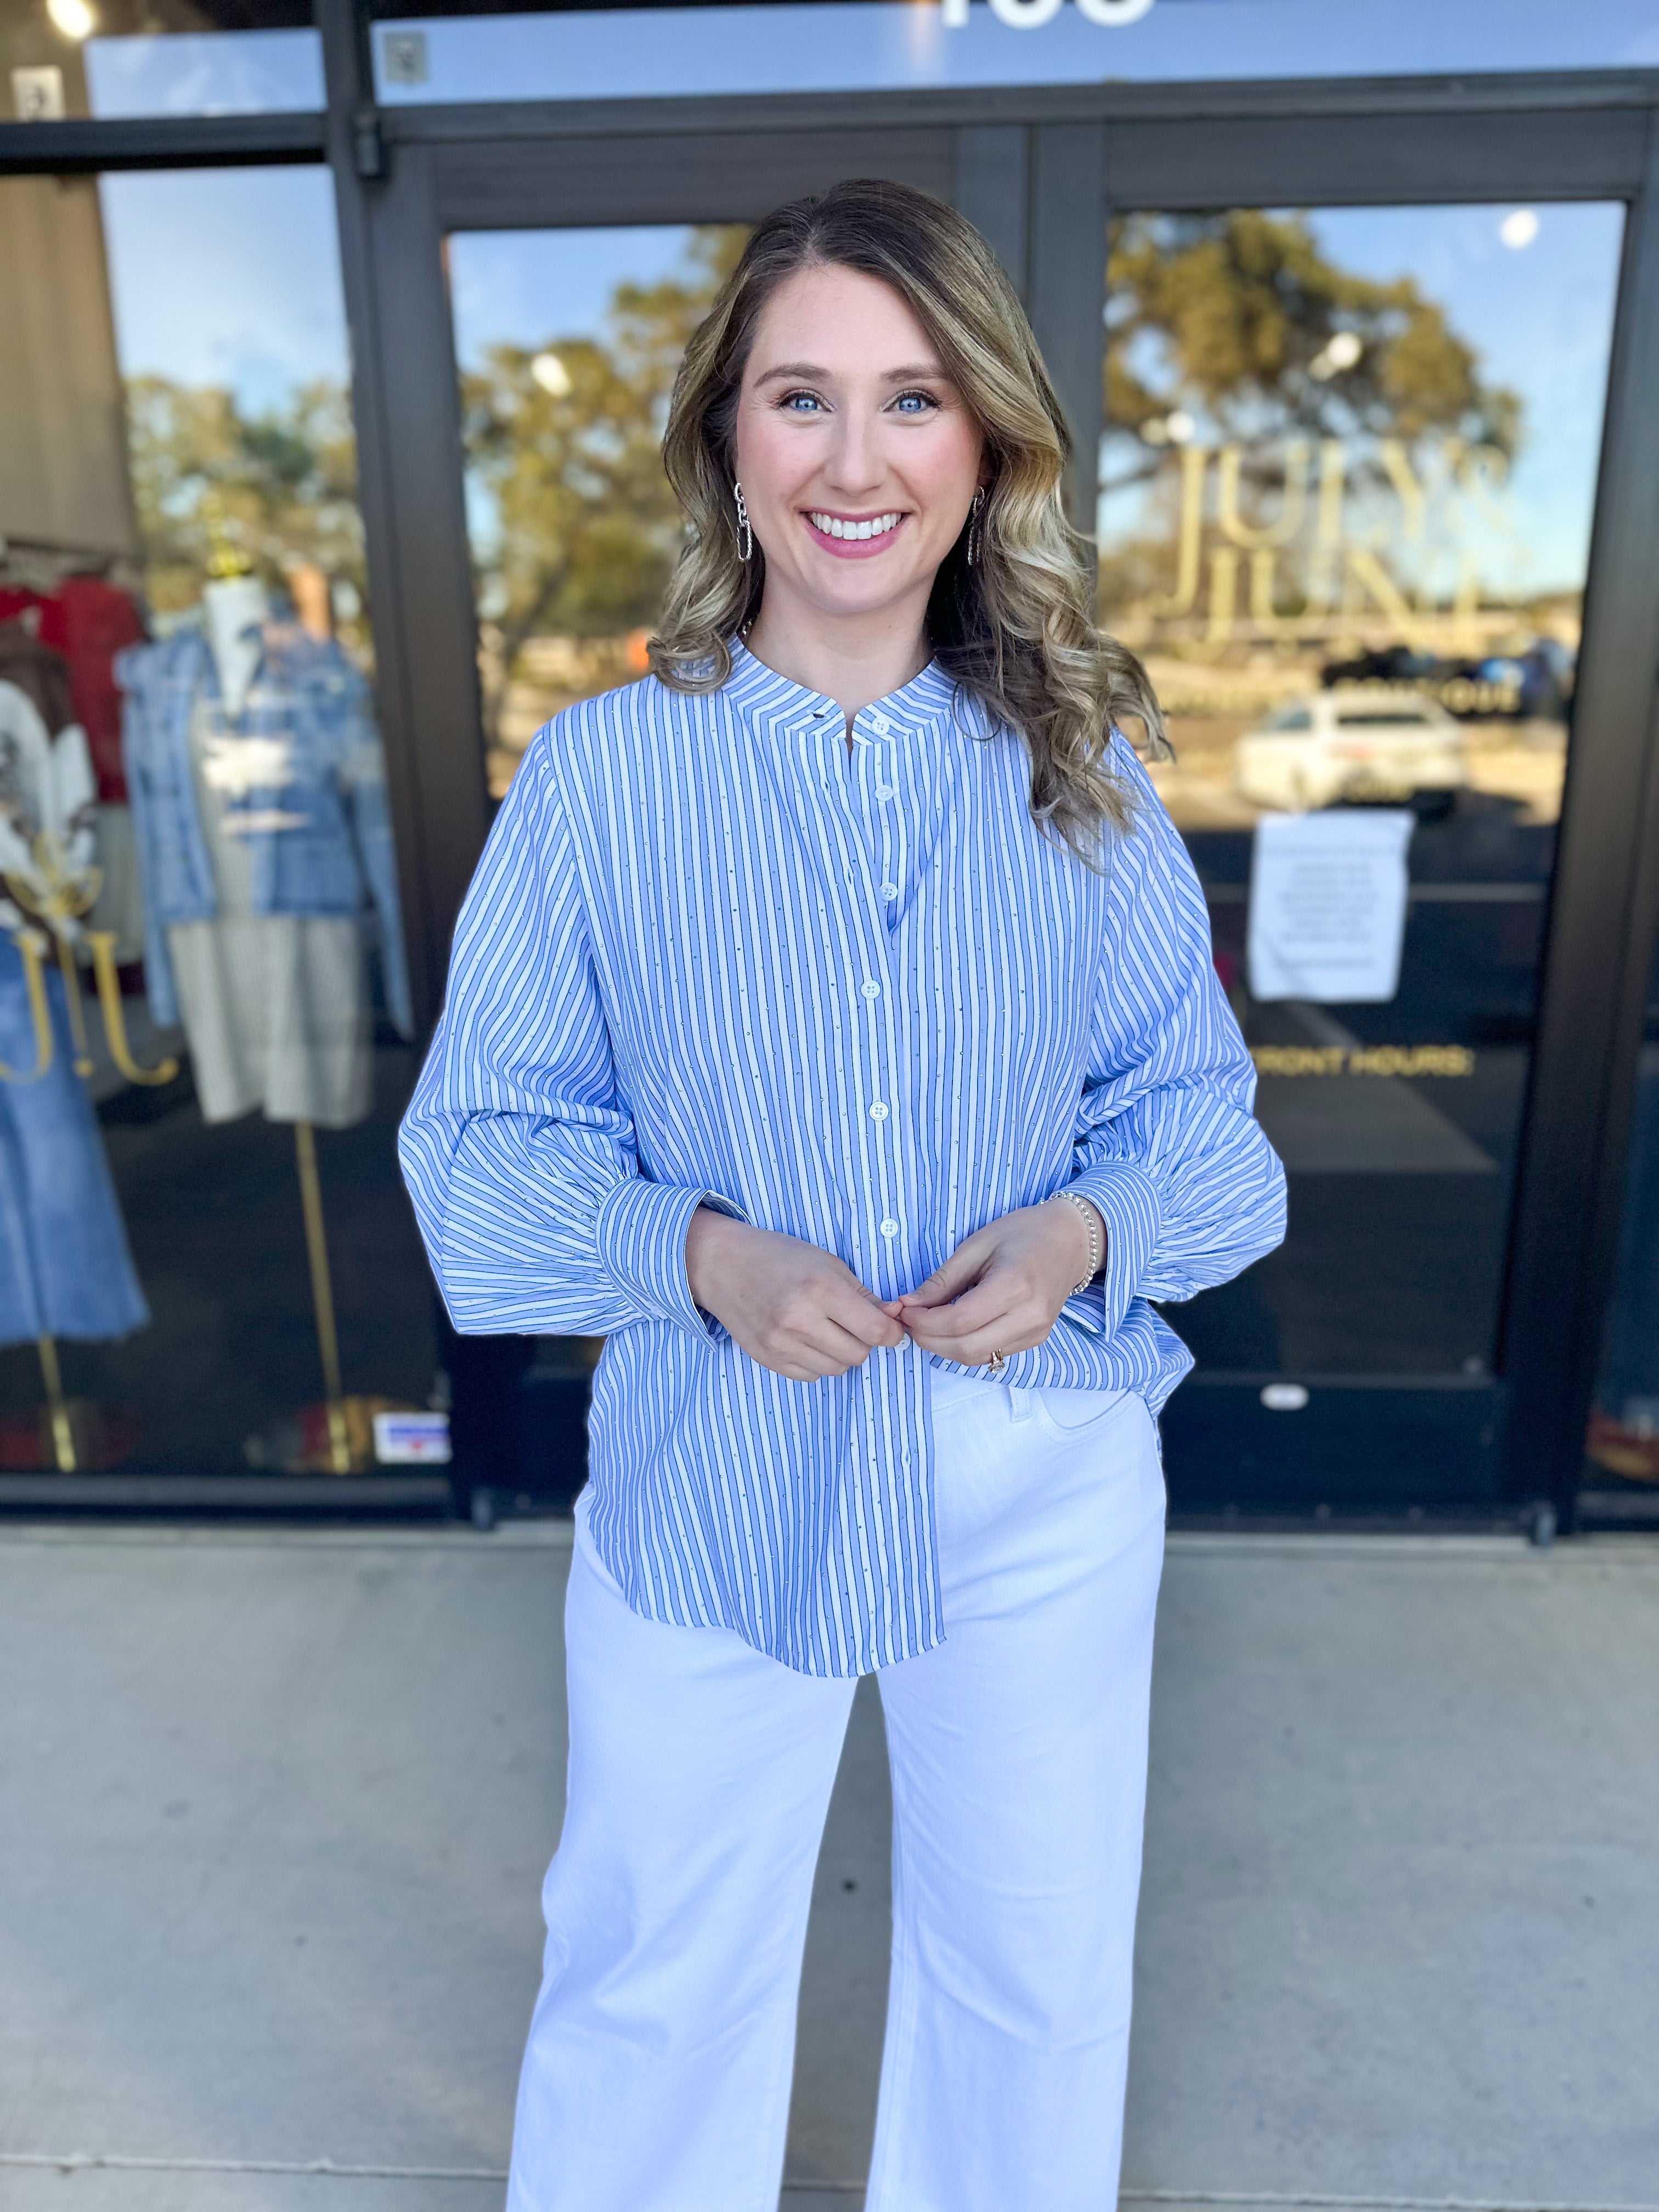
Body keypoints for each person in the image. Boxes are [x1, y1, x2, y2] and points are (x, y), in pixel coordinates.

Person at [399, 178, 1286, 2212]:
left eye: (913, 398)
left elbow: (1211, 1135)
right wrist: (698, 1257)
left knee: (1033, 1979)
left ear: (985, 448)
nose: (857, 461)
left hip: (1040, 1482)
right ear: (730, 440)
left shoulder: (1091, 777)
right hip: (716, 1476)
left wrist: (1082, 1234)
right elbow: (479, 1152)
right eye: (802, 398)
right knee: (651, 1972)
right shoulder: (602, 782)